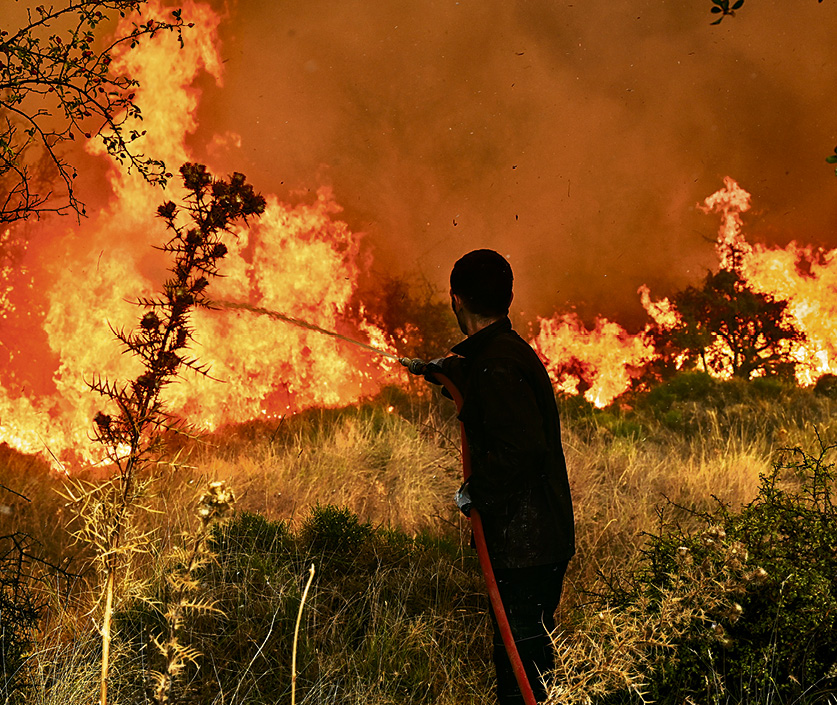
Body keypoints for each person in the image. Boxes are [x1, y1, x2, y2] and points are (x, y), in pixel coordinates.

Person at [422, 249, 575, 704]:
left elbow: (523, 449)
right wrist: (446, 369)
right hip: (537, 540)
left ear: (455, 300)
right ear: (506, 298)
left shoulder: (499, 364)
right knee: (529, 663)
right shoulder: (499, 354)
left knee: (522, 674)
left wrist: (475, 494)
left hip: (524, 545)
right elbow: (481, 378)